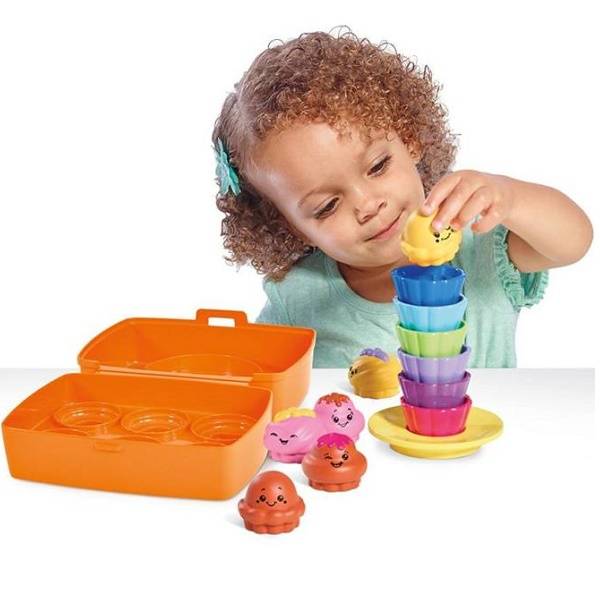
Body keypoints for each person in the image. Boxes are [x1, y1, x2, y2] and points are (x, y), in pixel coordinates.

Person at [211, 27, 593, 367]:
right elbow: (251, 375)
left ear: (408, 137)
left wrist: (510, 198)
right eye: (327, 206)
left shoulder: (477, 243)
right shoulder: (298, 298)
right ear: (290, 226)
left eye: (378, 166)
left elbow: (574, 242)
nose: (368, 205)